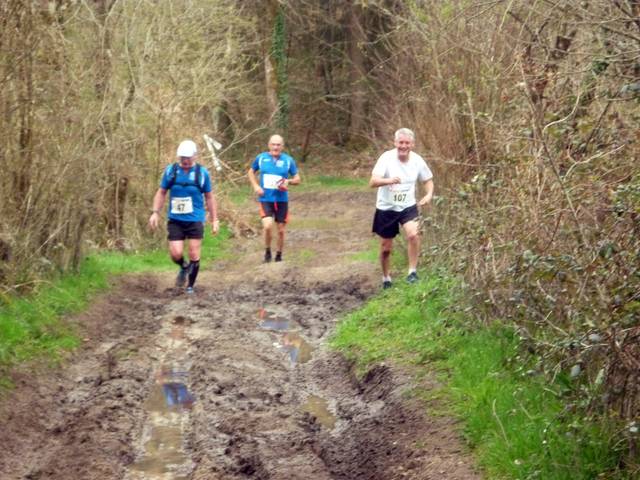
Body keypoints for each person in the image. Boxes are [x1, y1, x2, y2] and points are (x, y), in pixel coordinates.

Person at [149, 139, 219, 293]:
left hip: (195, 219)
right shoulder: (171, 171)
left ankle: (190, 287)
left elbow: (209, 197)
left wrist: (214, 219)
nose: (185, 161)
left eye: (188, 158)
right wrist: (155, 212)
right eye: (182, 158)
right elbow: (161, 192)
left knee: (194, 252)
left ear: (195, 156)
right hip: (176, 220)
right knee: (176, 253)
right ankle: (184, 266)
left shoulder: (202, 173)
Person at [370, 128, 434, 289]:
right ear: (395, 143)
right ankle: (386, 278)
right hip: (386, 208)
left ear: (412, 144)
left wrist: (428, 195)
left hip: (407, 206)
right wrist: (389, 180)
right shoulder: (386, 158)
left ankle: (412, 272)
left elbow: (428, 180)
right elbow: (372, 182)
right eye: (401, 142)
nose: (403, 146)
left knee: (414, 234)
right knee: (385, 249)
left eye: (407, 143)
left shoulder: (417, 160)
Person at [248, 134, 301, 263]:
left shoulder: (288, 160)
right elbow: (250, 172)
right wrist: (256, 186)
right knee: (267, 226)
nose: (275, 147)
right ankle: (267, 251)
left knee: (281, 230)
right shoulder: (261, 158)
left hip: (281, 200)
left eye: (278, 145)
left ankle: (278, 255)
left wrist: (288, 181)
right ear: (269, 145)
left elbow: (298, 179)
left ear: (282, 146)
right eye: (273, 144)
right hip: (265, 199)